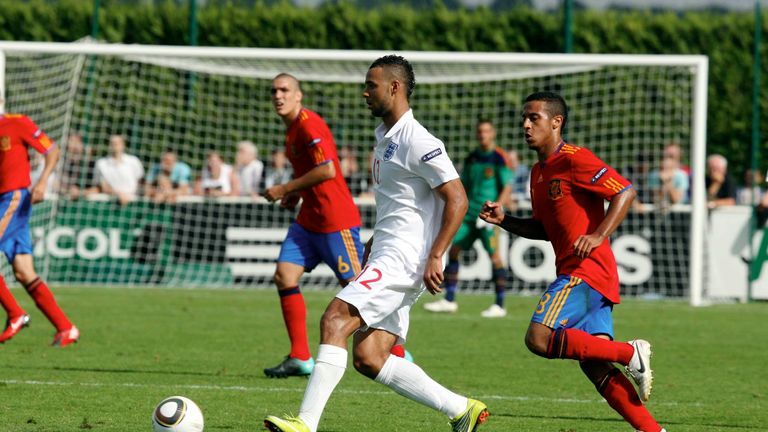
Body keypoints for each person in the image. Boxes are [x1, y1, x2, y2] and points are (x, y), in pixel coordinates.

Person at [264, 55, 489, 432]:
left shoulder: (419, 140)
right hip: (387, 252)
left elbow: (458, 198)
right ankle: (460, 408)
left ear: (395, 87)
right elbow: (402, 203)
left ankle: (305, 424)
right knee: (369, 356)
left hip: (404, 260)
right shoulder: (384, 137)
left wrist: (436, 255)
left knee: (335, 318)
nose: (364, 92)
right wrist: (373, 240)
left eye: (371, 85)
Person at [479, 91, 665, 432]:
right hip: (590, 275)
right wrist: (505, 220)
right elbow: (545, 229)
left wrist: (598, 235)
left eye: (533, 117)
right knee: (594, 366)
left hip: (586, 271)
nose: (525, 124)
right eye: (524, 117)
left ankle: (630, 353)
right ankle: (654, 431)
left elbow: (624, 191)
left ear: (556, 122)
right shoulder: (537, 173)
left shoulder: (575, 158)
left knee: (538, 337)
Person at [261, 73, 408, 379]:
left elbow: (327, 169)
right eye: (274, 90)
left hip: (334, 221)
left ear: (298, 96)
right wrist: (298, 194)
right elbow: (312, 172)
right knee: (283, 276)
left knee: (359, 290)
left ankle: (396, 351)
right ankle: (300, 357)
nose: (278, 95)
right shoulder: (291, 130)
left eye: (285, 90)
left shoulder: (308, 124)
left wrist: (286, 188)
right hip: (308, 221)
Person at [0, 105, 79, 346]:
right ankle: (66, 328)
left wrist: (42, 182)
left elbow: (52, 150)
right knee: (23, 271)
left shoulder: (17, 123)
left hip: (14, 198)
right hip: (4, 201)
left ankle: (15, 314)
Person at [423, 119, 512, 317]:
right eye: (480, 131)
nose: (483, 135)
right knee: (452, 250)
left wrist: (495, 210)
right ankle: (450, 299)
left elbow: (507, 187)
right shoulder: (472, 157)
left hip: (488, 218)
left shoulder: (499, 158)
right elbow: (463, 186)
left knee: (495, 257)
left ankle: (499, 305)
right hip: (470, 215)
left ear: (493, 133)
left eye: (487, 131)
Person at [88, 134, 144, 205]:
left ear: (123, 145)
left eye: (117, 143)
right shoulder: (101, 163)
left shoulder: (134, 161)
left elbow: (141, 182)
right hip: (109, 203)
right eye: (112, 143)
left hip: (133, 202)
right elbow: (102, 186)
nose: (115, 146)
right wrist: (119, 194)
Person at [58, 133, 95, 200]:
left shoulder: (91, 165)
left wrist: (80, 192)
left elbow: (98, 189)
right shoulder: (65, 164)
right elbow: (56, 184)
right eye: (71, 141)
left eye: (76, 142)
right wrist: (68, 190)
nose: (72, 145)